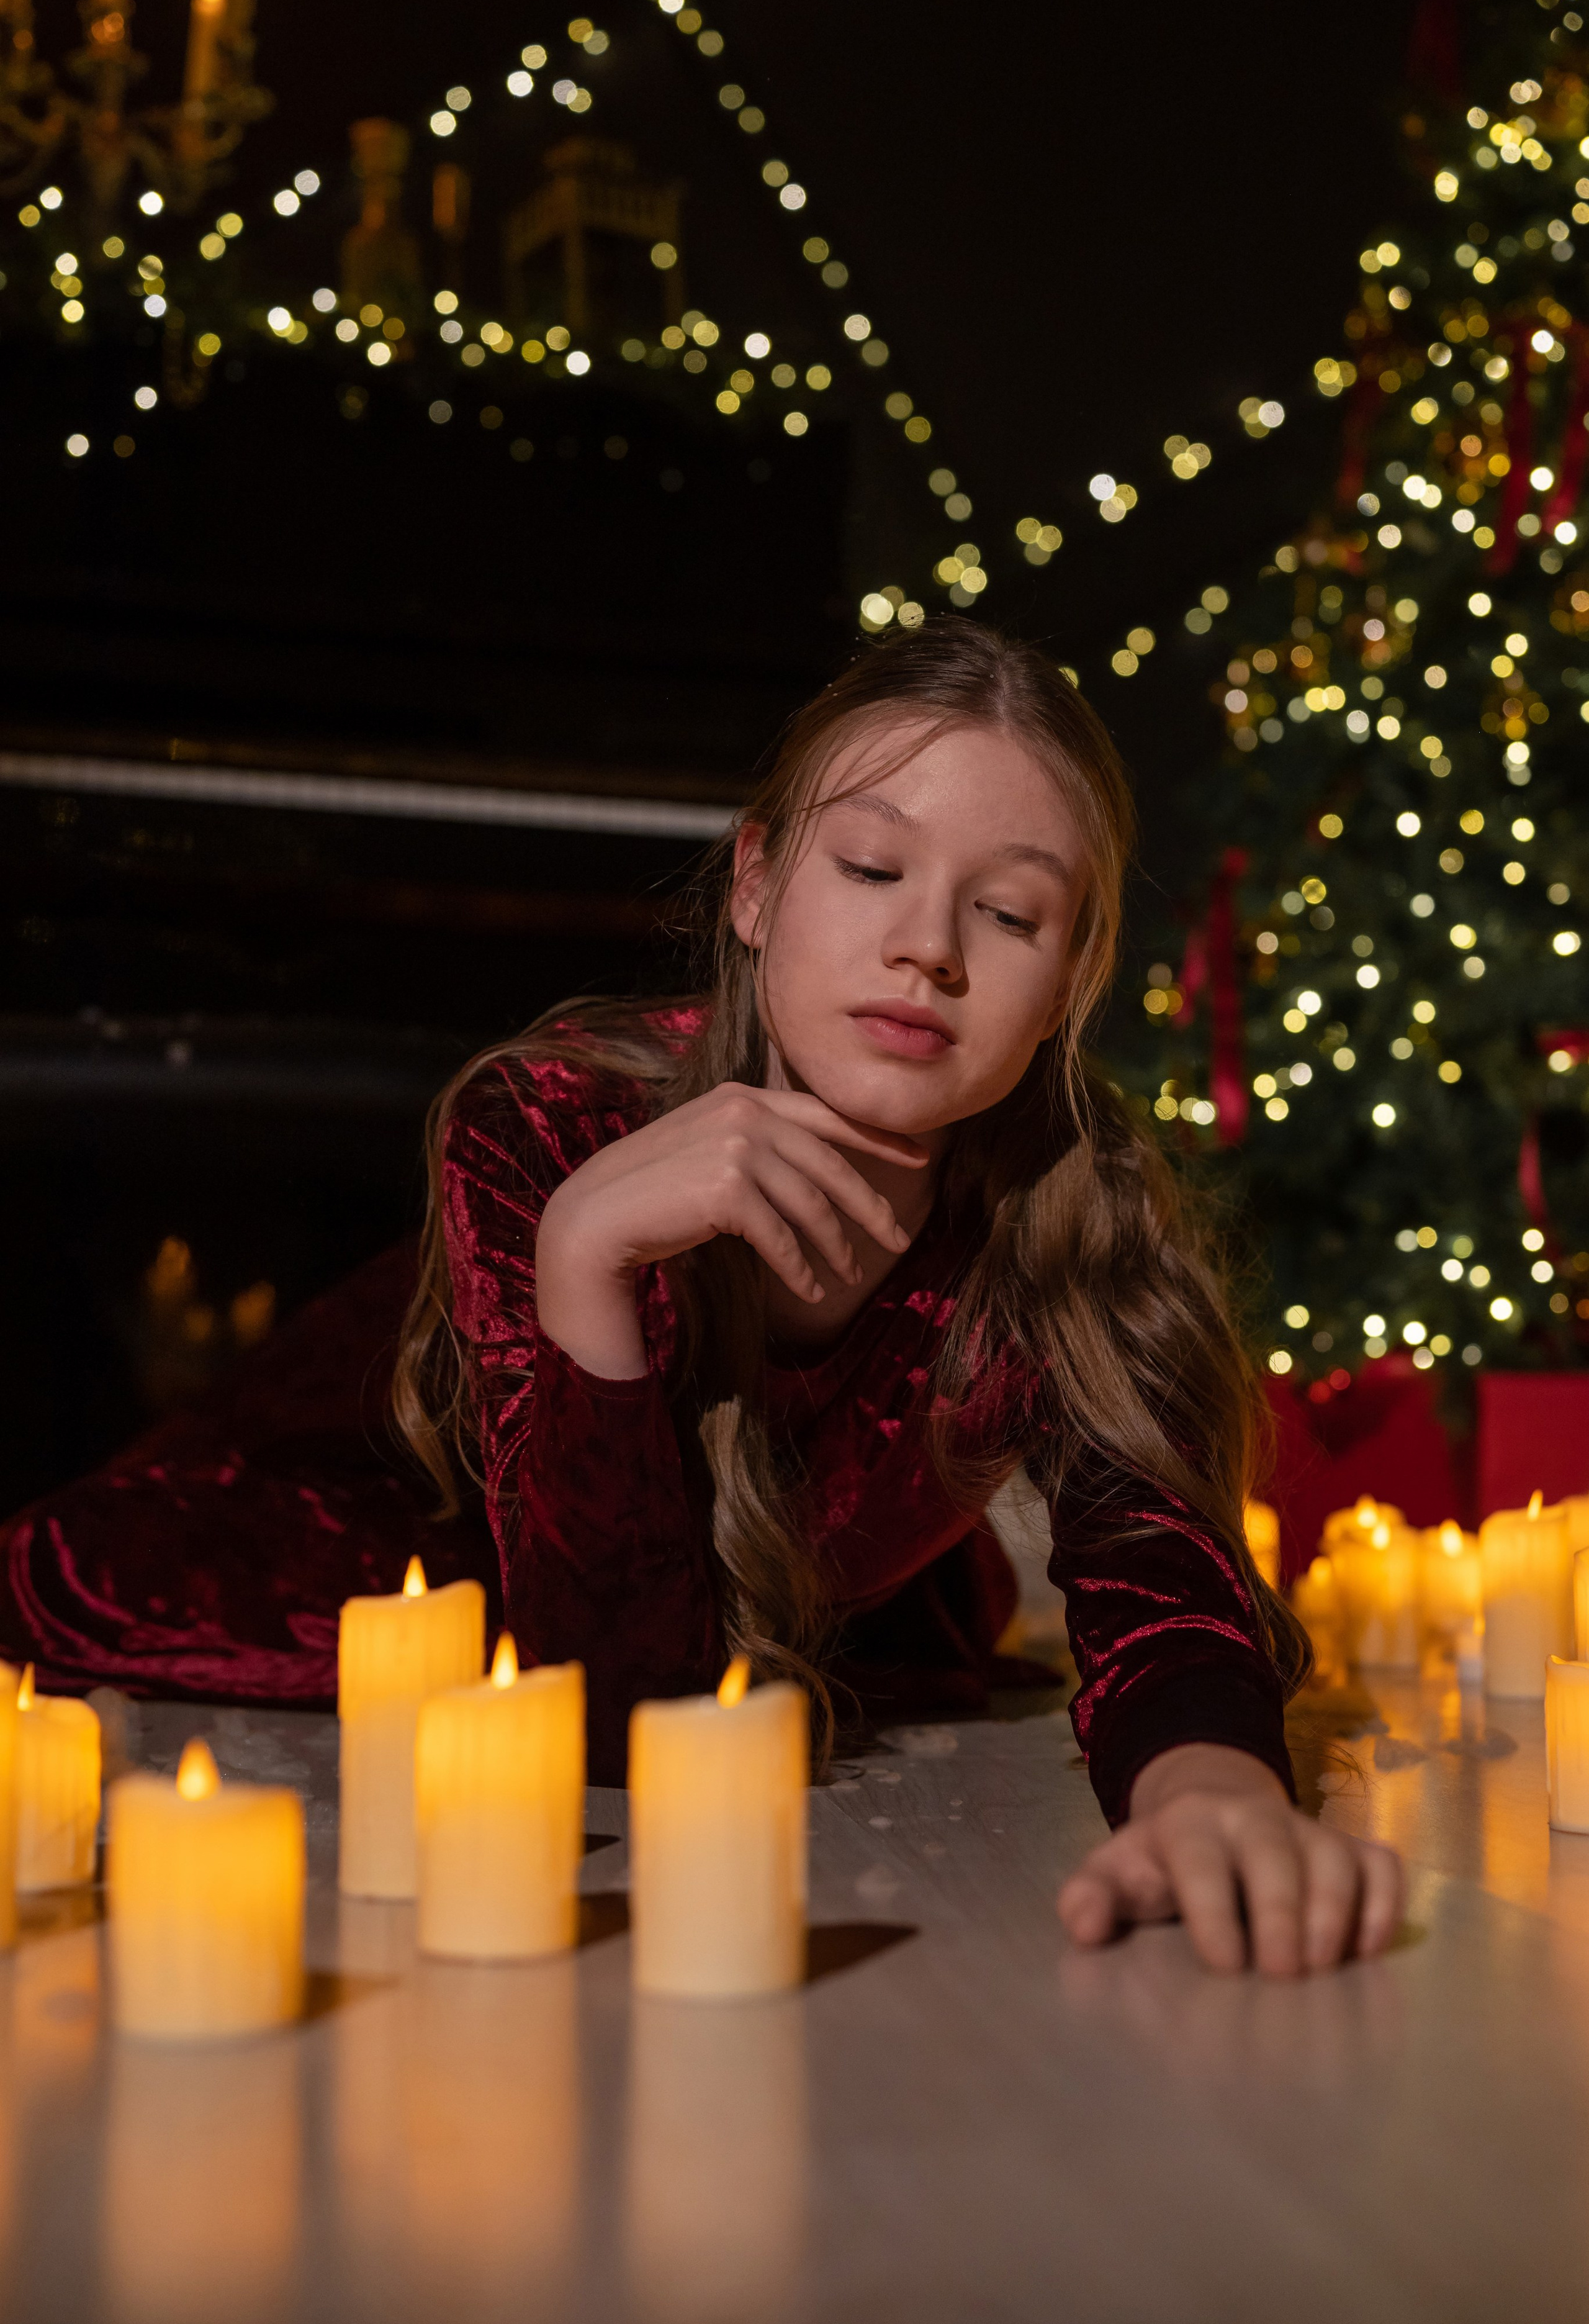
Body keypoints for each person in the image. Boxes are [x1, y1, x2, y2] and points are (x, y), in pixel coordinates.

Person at [0, 621, 1400, 1976]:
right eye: (868, 868)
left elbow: (1158, 1571)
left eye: (1010, 910)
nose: (929, 947)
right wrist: (585, 1257)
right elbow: (620, 1729)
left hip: (753, 1587)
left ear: (1068, 984)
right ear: (751, 888)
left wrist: (1209, 1788)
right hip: (389, 1531)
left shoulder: (1076, 1208)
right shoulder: (545, 1121)